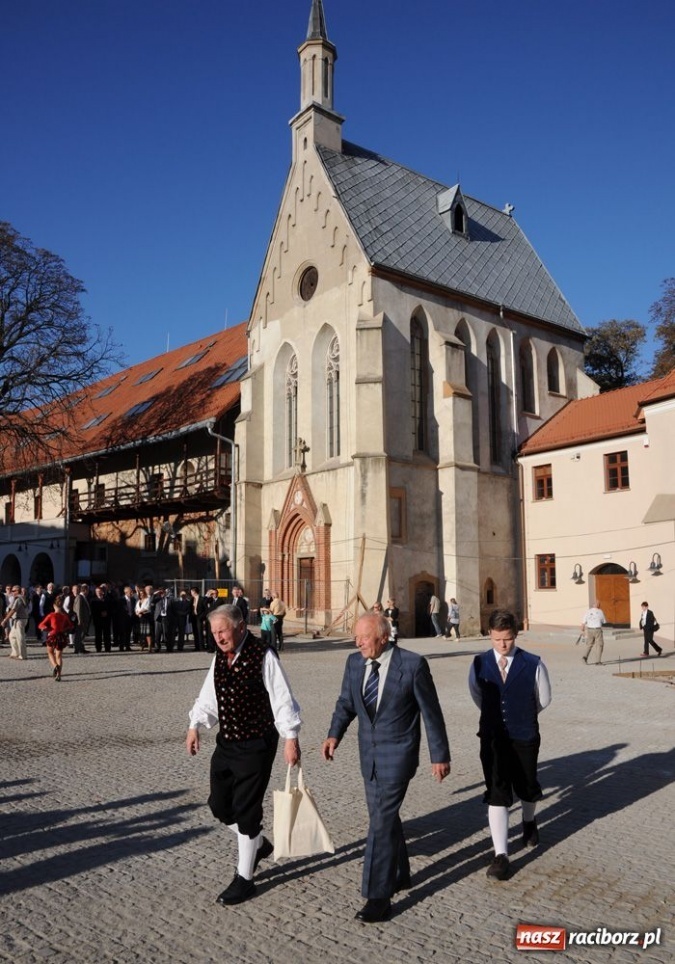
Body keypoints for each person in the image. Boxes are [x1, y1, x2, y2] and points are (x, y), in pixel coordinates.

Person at [322, 612, 450, 923]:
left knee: (379, 822)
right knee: (384, 818)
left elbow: (431, 713)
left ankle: (378, 896)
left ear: (382, 637)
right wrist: (334, 733)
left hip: (398, 755)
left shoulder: (412, 665)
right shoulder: (354, 663)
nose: (358, 642)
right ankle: (400, 874)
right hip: (369, 756)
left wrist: (439, 755)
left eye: (364, 637)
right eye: (357, 637)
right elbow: (346, 703)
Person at [186, 604, 301, 906]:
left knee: (247, 809)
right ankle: (258, 843)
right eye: (213, 633)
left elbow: (282, 698)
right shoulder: (219, 657)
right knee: (219, 804)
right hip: (228, 743)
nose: (218, 637)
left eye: (222, 631)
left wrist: (291, 737)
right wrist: (195, 725)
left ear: (239, 627)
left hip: (257, 743)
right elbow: (209, 694)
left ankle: (244, 879)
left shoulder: (264, 655)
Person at [468, 608, 552, 882]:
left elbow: (544, 699)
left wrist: (523, 715)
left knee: (527, 786)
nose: (502, 645)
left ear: (515, 635)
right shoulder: (479, 663)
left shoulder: (533, 663)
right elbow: (478, 694)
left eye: (507, 639)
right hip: (492, 738)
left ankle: (528, 821)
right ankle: (501, 854)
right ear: (489, 636)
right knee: (497, 791)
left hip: (524, 734)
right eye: (496, 639)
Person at [38, 595, 74, 681]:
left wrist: (47, 629)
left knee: (50, 653)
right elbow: (71, 625)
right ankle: (59, 675)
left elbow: (41, 625)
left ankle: (55, 666)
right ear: (61, 607)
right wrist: (63, 629)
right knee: (59, 656)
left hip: (52, 635)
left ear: (54, 606)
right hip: (61, 636)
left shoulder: (51, 615)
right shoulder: (64, 616)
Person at [1, 586, 29, 660]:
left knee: (20, 638)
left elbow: (13, 610)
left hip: (20, 620)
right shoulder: (17, 598)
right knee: (12, 636)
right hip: (18, 620)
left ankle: (22, 655)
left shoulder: (19, 599)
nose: (12, 592)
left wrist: (5, 620)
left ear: (18, 591)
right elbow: (10, 608)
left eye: (13, 591)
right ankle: (15, 652)